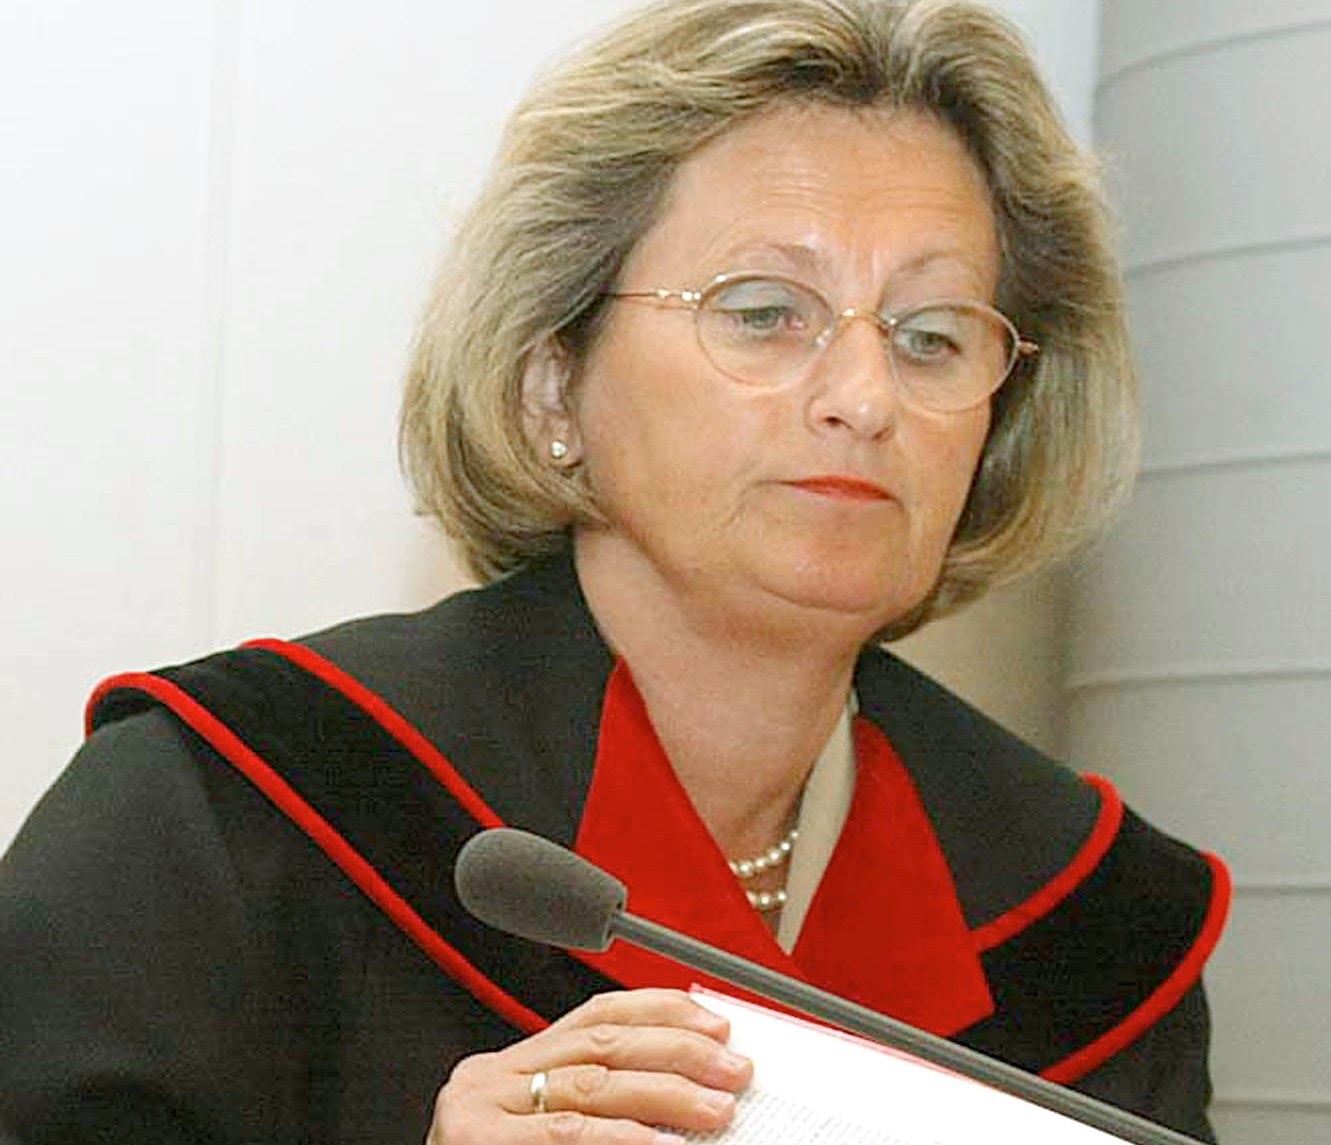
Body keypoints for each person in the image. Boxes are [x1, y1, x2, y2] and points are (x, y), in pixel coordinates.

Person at [0, 1, 1230, 1142]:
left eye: (930, 336)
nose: (864, 397)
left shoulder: (1093, 924)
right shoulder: (234, 809)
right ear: (554, 386)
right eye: (763, 311)